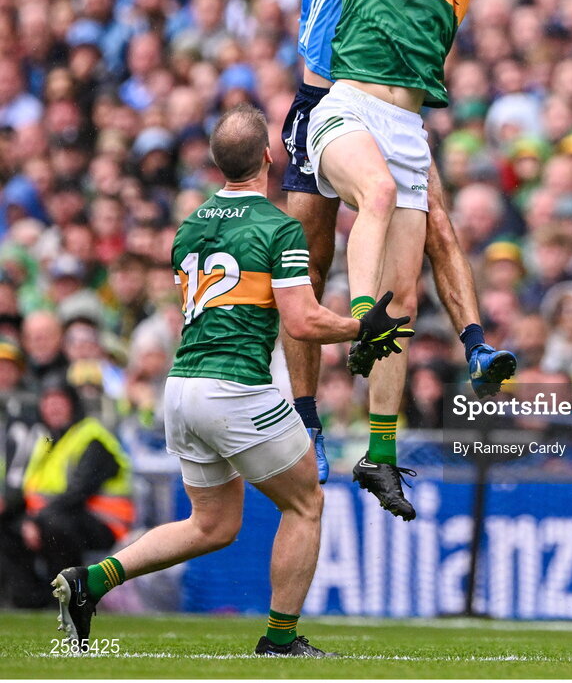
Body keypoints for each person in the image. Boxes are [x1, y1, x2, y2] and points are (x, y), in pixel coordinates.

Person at [52, 105, 410, 657]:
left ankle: (91, 581)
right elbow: (301, 322)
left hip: (182, 388)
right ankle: (281, 640)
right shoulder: (277, 226)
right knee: (306, 503)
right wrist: (361, 325)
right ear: (268, 156)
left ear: (219, 163)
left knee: (212, 524)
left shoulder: (189, 225)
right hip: (236, 388)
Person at [281, 0, 516, 522]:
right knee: (367, 205)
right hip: (342, 105)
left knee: (406, 304)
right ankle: (349, 327)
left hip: (409, 127)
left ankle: (378, 452)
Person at [0, 373, 130, 609]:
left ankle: (70, 598)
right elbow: (32, 491)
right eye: (47, 402)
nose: (53, 408)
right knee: (7, 526)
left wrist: (36, 521)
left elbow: (79, 491)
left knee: (53, 524)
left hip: (105, 524)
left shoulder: (92, 436)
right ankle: (29, 600)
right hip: (56, 517)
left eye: (59, 401)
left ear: (74, 405)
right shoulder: (47, 442)